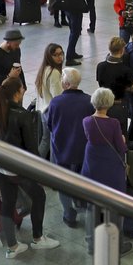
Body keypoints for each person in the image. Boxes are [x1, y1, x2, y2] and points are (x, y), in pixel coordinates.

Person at [0, 77, 60, 258]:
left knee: (8, 203)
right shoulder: (22, 115)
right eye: (22, 88)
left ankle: (12, 247)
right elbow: (31, 148)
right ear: (17, 92)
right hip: (17, 168)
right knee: (39, 195)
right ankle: (38, 238)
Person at [81, 87, 132, 255]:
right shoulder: (113, 123)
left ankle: (91, 243)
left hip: (92, 165)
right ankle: (116, 244)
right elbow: (121, 147)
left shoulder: (87, 121)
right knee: (115, 205)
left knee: (92, 206)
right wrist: (123, 139)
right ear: (109, 104)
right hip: (111, 167)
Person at [45, 67, 94, 229]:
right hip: (83, 151)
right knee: (83, 181)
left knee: (64, 184)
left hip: (62, 151)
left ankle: (69, 214)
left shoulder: (56, 102)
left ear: (65, 84)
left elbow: (50, 125)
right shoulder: (89, 101)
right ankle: (83, 206)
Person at [60, 0, 88, 66]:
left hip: (68, 9)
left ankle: (72, 52)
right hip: (75, 9)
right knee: (75, 33)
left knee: (73, 31)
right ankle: (69, 57)